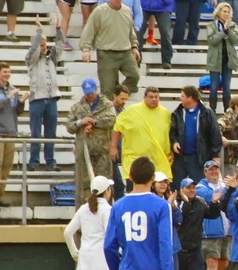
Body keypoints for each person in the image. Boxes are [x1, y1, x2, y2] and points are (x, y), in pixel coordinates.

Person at [174, 177, 223, 270]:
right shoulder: (177, 204)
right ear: (181, 190)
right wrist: (186, 203)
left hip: (195, 249)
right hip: (179, 250)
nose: (191, 190)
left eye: (193, 187)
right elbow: (182, 218)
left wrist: (214, 203)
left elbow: (212, 215)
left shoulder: (200, 202)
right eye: (188, 188)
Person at [0, 62, 27, 211]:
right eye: (4, 72)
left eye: (9, 71)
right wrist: (7, 98)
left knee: (6, 167)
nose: (7, 74)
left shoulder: (12, 89)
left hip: (11, 132)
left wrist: (21, 103)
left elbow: (17, 112)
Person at [81, 0, 141, 94]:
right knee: (107, 88)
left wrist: (134, 46)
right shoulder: (99, 11)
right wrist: (86, 49)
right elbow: (89, 30)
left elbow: (130, 31)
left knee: (134, 76)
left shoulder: (127, 11)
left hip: (125, 52)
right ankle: (111, 100)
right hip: (106, 53)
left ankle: (119, 93)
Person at [66, 78, 116, 207]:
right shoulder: (77, 107)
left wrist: (93, 123)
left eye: (92, 92)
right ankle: (86, 211)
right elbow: (69, 126)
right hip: (84, 151)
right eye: (87, 93)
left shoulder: (106, 104)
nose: (90, 95)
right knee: (84, 185)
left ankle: (105, 211)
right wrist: (81, 122)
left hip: (102, 152)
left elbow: (112, 119)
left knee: (104, 182)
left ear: (96, 89)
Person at [197, 160, 238, 270]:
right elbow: (214, 197)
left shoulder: (223, 184)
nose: (214, 172)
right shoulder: (200, 187)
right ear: (205, 172)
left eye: (216, 169)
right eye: (210, 169)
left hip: (227, 229)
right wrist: (230, 188)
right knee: (212, 262)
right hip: (211, 231)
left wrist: (234, 187)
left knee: (224, 262)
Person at [111, 86, 172, 188]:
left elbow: (172, 133)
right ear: (144, 97)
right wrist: (113, 147)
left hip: (159, 161)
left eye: (156, 97)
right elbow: (117, 128)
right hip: (135, 160)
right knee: (133, 190)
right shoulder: (132, 111)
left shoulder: (166, 114)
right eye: (151, 97)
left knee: (158, 192)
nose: (154, 99)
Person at [26, 15, 64, 171]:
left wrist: (58, 29)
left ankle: (50, 161)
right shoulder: (31, 58)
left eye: (44, 45)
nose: (43, 48)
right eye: (41, 45)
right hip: (37, 99)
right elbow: (34, 50)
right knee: (35, 132)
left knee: (51, 132)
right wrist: (39, 30)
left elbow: (60, 46)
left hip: (52, 98)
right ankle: (34, 161)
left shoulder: (51, 57)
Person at [170, 85, 222, 185]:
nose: (180, 99)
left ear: (190, 98)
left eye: (183, 96)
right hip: (180, 158)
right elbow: (173, 131)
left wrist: (215, 154)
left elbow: (215, 133)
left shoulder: (206, 112)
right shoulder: (178, 113)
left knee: (199, 186)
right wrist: (175, 142)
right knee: (177, 186)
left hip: (198, 159)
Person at [206, 2, 238, 113]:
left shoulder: (233, 25)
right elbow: (212, 40)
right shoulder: (211, 25)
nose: (226, 14)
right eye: (224, 11)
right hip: (215, 59)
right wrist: (223, 31)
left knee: (227, 87)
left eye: (228, 12)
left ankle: (228, 111)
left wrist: (228, 29)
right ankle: (212, 111)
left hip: (228, 60)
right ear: (219, 12)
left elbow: (235, 40)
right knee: (213, 86)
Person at [218, 96, 238, 178]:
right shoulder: (228, 117)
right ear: (237, 107)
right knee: (228, 181)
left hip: (234, 158)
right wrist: (221, 137)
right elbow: (217, 127)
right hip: (227, 158)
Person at [110, 84, 130, 199]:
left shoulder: (125, 113)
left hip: (122, 152)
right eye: (122, 98)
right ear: (114, 96)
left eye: (126, 99)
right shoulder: (107, 112)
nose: (124, 102)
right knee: (118, 185)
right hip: (109, 152)